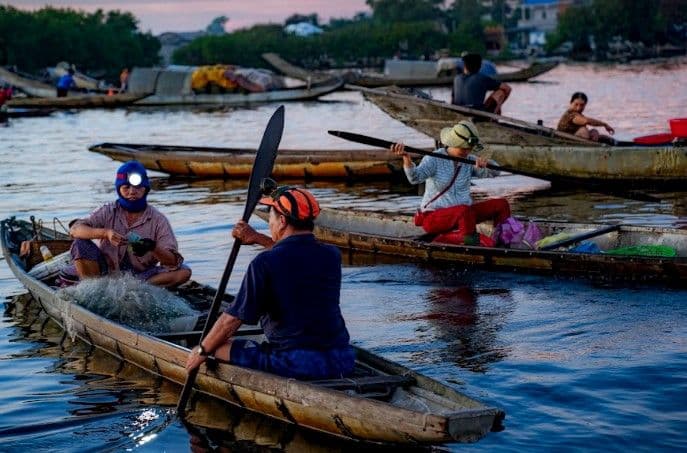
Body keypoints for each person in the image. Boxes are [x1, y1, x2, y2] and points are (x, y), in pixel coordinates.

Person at [186, 186, 355, 380]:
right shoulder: (331, 255)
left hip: (295, 364)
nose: (270, 223)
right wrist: (258, 238)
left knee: (218, 347)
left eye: (271, 217)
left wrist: (201, 350)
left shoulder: (264, 263)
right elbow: (295, 255)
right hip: (343, 359)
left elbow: (231, 320)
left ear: (282, 221)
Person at [59, 160, 191, 287]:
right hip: (104, 274)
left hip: (140, 277)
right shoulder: (107, 210)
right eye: (126, 187)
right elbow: (75, 229)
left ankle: (138, 289)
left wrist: (153, 247)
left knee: (184, 272)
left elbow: (173, 262)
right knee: (79, 243)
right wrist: (106, 233)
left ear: (145, 188)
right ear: (119, 189)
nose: (132, 191)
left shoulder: (158, 220)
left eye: (137, 187)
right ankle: (95, 290)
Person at [390, 120, 511, 246]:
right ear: (453, 143)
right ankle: (471, 244)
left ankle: (503, 242)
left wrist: (488, 164)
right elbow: (415, 178)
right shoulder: (434, 159)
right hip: (434, 217)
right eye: (463, 148)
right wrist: (406, 158)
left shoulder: (469, 160)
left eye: (469, 149)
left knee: (501, 204)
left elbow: (495, 172)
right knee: (464, 211)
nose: (467, 152)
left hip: (465, 216)